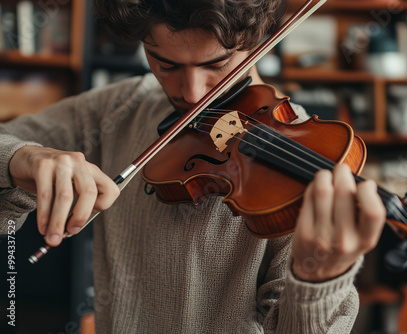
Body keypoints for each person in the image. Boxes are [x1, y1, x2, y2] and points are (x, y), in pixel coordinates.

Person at [0, 0, 386, 332]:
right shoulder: (121, 107)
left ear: (263, 38)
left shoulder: (311, 169)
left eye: (217, 64)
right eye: (165, 63)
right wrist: (23, 158)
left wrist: (319, 282)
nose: (192, 92)